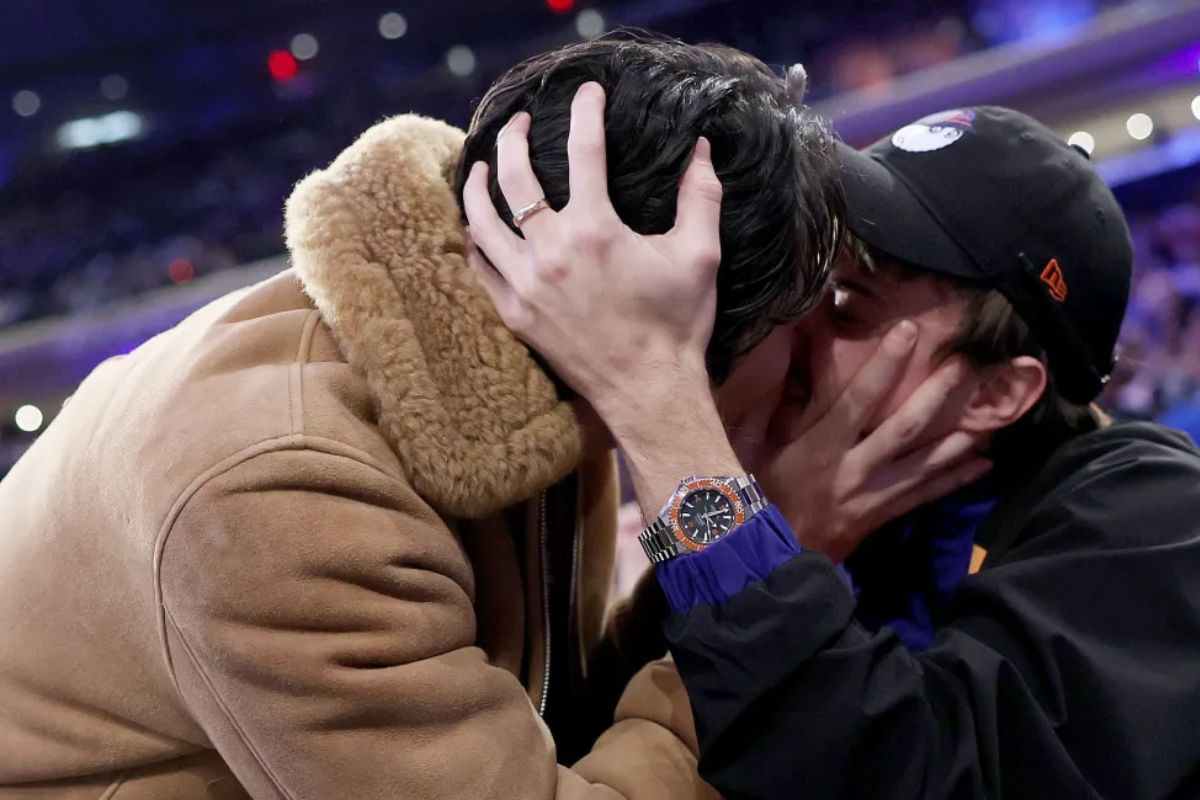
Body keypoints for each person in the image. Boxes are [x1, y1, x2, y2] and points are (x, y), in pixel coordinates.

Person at [0, 36, 843, 799]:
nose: (825, 352)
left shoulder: (524, 344)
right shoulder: (288, 493)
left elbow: (556, 707)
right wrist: (765, 592)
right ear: (673, 322)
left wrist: (733, 561)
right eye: (809, 316)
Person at [467, 103, 1200, 798]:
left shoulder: (1155, 517)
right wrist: (781, 529)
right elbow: (600, 733)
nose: (794, 322)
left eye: (848, 302)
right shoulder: (859, 487)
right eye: (811, 280)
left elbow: (912, 773)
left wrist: (660, 407)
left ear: (995, 393)